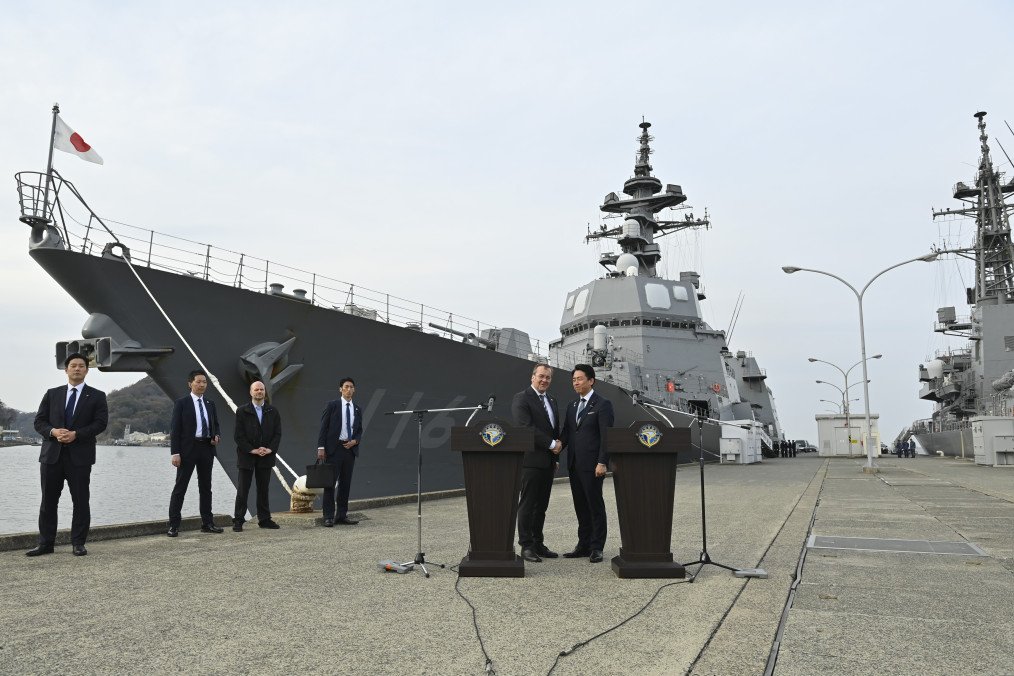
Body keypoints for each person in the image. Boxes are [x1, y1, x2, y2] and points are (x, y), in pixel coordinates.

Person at [27, 353, 108, 557]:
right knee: (48, 501)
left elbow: (100, 423)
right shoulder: (52, 394)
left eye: (81, 366)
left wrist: (76, 435)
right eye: (73, 365)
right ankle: (46, 544)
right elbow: (39, 422)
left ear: (87, 370)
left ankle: (78, 543)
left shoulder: (97, 396)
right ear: (66, 370)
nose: (77, 369)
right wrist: (53, 432)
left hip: (80, 457)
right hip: (51, 456)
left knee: (80, 501)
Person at [560, 364, 614, 563]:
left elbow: (606, 437)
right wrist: (557, 446)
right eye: (574, 379)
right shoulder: (572, 406)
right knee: (580, 506)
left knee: (594, 505)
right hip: (574, 464)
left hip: (593, 465)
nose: (576, 382)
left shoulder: (603, 404)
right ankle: (583, 545)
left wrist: (602, 462)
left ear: (591, 381)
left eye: (580, 379)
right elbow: (567, 432)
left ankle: (597, 547)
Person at [511, 363, 564, 563]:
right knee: (527, 504)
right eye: (541, 376)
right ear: (533, 377)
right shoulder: (522, 398)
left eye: (548, 378)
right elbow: (525, 427)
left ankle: (538, 543)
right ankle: (526, 546)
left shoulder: (551, 399)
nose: (544, 380)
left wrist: (556, 457)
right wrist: (552, 444)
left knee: (541, 506)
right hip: (531, 461)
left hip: (548, 461)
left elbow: (554, 429)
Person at [167, 369, 222, 537]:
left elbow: (216, 424)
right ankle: (173, 525)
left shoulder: (210, 404)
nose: (202, 385)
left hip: (206, 448)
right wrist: (175, 452)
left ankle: (207, 523)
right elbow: (175, 430)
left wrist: (216, 436)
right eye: (198, 382)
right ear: (190, 383)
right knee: (180, 488)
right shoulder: (181, 403)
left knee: (206, 488)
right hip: (187, 450)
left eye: (204, 382)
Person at [232, 380, 281, 532]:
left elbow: (277, 434)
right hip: (247, 456)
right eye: (256, 390)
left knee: (263, 489)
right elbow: (238, 436)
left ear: (265, 392)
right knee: (243, 489)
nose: (259, 392)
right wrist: (252, 450)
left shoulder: (273, 411)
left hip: (266, 456)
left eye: (261, 389)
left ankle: (264, 519)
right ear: (251, 392)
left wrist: (270, 449)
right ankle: (238, 520)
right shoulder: (242, 411)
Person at [317, 377, 363, 526]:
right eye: (346, 387)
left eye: (351, 387)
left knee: (346, 484)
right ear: (340, 389)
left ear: (354, 390)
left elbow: (359, 430)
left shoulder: (357, 409)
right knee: (330, 483)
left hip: (350, 450)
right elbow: (324, 427)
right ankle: (328, 516)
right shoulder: (333, 405)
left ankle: (342, 515)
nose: (349, 389)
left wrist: (355, 441)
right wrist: (321, 447)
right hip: (334, 449)